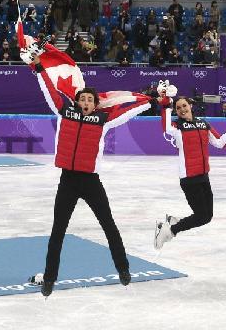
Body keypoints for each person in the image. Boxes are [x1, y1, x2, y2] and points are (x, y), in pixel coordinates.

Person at [30, 55, 151, 296]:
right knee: (58, 230)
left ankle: (123, 268)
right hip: (68, 180)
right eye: (82, 98)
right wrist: (39, 68)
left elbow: (130, 110)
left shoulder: (103, 119)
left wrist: (151, 101)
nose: (85, 101)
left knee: (108, 224)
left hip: (91, 181)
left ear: (95, 104)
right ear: (77, 101)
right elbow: (51, 92)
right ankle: (50, 278)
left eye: (89, 99)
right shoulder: (64, 112)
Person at [153, 93, 226, 250]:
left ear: (190, 105)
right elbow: (166, 126)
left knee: (207, 216)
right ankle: (169, 231)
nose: (182, 109)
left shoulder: (203, 124)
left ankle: (172, 223)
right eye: (178, 108)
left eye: (184, 105)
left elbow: (220, 143)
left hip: (204, 176)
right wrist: (165, 105)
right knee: (202, 216)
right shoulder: (177, 127)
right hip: (189, 178)